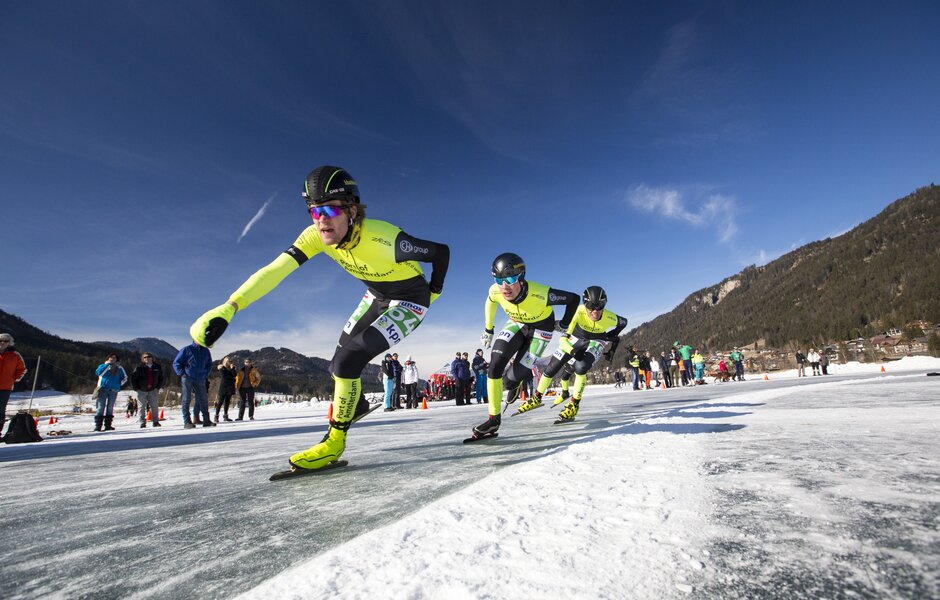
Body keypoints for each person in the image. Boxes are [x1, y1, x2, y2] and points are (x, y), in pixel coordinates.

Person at [189, 165, 449, 471]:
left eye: (329, 209)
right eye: (314, 211)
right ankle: (358, 404)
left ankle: (334, 442)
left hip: (410, 300)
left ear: (352, 210)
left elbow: (440, 252)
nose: (321, 219)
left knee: (348, 361)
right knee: (336, 363)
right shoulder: (314, 236)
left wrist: (435, 290)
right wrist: (231, 306)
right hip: (377, 297)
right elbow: (274, 270)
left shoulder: (386, 239)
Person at [471, 253, 578, 437]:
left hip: (541, 332)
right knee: (495, 364)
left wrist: (564, 323)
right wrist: (489, 329)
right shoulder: (495, 290)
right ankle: (493, 420)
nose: (504, 286)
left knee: (509, 380)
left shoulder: (542, 293)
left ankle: (516, 382)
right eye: (499, 279)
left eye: (510, 279)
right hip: (517, 323)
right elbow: (490, 301)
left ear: (521, 276)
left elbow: (573, 299)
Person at [521, 286, 627, 422]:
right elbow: (563, 339)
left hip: (596, 340)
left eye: (600, 306)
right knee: (552, 366)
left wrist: (611, 335)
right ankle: (536, 397)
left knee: (580, 367)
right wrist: (572, 351)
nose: (595, 311)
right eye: (590, 306)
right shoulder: (578, 312)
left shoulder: (610, 317)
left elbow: (624, 322)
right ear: (585, 304)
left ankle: (574, 405)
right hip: (574, 339)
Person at [173, 341, 214, 429]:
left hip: (200, 378)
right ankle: (187, 422)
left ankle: (206, 420)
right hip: (187, 377)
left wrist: (205, 374)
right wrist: (182, 373)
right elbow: (176, 363)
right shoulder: (187, 349)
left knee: (203, 399)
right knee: (186, 399)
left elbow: (209, 364)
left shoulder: (206, 351)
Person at [0, 333, 27, 432]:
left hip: (5, 388)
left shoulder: (15, 355)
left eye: (5, 341)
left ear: (9, 343)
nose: (2, 343)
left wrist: (13, 379)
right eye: (0, 340)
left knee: (0, 411)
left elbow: (22, 369)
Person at [94, 354, 127, 431]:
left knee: (110, 407)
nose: (113, 359)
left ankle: (108, 425)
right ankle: (98, 426)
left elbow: (125, 378)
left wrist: (119, 384)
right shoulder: (102, 366)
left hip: (114, 390)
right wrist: (107, 365)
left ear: (117, 359)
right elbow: (99, 373)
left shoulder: (119, 368)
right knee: (100, 407)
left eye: (115, 357)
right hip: (103, 389)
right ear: (108, 358)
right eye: (111, 357)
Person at [131, 352, 164, 428]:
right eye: (145, 357)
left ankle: (155, 422)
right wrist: (136, 388)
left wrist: (158, 387)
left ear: (152, 358)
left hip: (153, 390)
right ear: (142, 359)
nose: (147, 358)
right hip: (141, 390)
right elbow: (133, 378)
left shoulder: (157, 367)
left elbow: (161, 378)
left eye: (148, 357)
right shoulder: (139, 367)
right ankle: (142, 422)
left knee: (154, 406)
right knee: (141, 406)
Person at [215, 356, 237, 422]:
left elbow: (235, 375)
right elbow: (224, 377)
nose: (230, 363)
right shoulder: (222, 368)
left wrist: (232, 369)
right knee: (220, 402)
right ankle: (216, 416)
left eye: (230, 361)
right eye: (229, 361)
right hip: (223, 387)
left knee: (227, 402)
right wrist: (232, 378)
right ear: (225, 362)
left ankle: (225, 416)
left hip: (230, 387)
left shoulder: (232, 368)